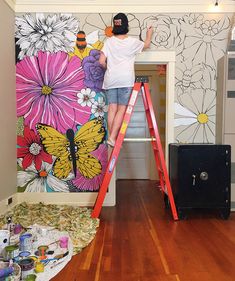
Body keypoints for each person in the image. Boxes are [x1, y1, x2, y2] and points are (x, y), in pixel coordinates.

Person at [99, 12, 153, 147]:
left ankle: (112, 138)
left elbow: (101, 62)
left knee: (112, 108)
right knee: (122, 109)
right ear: (126, 26)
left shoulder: (109, 42)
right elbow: (146, 45)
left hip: (111, 79)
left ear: (114, 27)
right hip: (125, 79)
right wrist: (149, 33)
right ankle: (112, 137)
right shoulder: (132, 42)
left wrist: (108, 68)